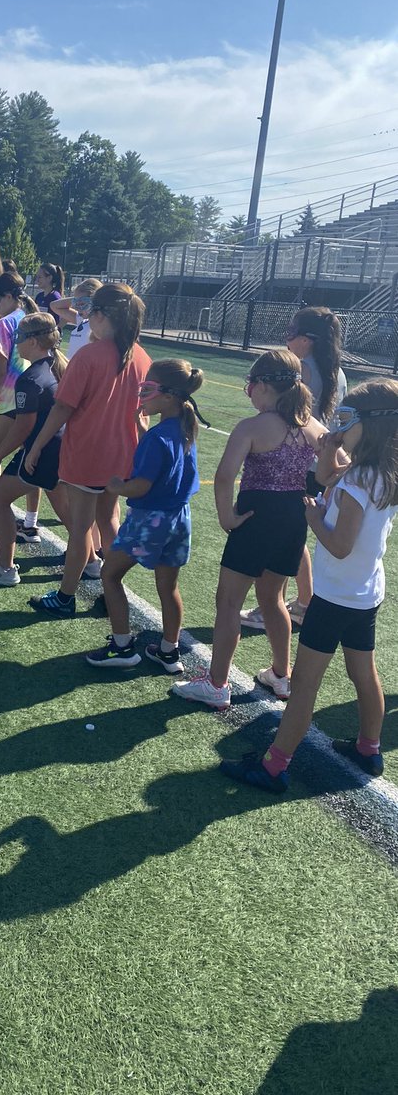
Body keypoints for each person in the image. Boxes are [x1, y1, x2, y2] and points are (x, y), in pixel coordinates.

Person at [221, 379, 398, 793]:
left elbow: (339, 545)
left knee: (303, 685)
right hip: (364, 594)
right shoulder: (377, 472)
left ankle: (272, 767)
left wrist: (314, 518)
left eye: (346, 419)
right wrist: (333, 444)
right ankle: (368, 748)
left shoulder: (356, 483)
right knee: (362, 671)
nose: (337, 425)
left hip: (335, 598)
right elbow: (321, 476)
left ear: (370, 425)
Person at [171, 350, 328, 709]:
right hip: (292, 521)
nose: (249, 393)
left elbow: (225, 475)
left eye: (250, 385)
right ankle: (281, 674)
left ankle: (216, 683)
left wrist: (226, 516)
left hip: (255, 519)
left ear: (262, 386)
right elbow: (336, 465)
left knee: (228, 601)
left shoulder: (252, 427)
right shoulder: (313, 426)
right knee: (273, 600)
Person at [27, 283, 152, 618]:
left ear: (99, 315)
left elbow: (62, 408)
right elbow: (144, 414)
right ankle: (112, 591)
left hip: (86, 454)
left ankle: (66, 596)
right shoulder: (141, 356)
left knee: (81, 527)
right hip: (122, 455)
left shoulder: (89, 356)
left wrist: (36, 446)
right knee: (108, 520)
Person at [85, 360, 208, 670]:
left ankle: (123, 646)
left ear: (168, 396)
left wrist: (117, 486)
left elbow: (141, 486)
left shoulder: (158, 438)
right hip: (179, 519)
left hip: (150, 519)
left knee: (109, 574)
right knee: (168, 587)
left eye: (148, 390)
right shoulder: (184, 428)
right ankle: (169, 650)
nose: (142, 396)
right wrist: (143, 430)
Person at [241, 305, 348, 631]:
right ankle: (303, 600)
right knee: (294, 532)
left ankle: (279, 604)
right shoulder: (336, 371)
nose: (286, 339)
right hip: (318, 462)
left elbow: (292, 417)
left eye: (291, 333)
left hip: (295, 461)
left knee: (284, 536)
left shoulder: (300, 371)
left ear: (308, 340)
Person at [0, 313, 70, 585]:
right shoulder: (55, 368)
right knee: (66, 509)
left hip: (43, 452)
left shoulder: (30, 378)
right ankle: (93, 563)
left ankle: (4, 568)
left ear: (33, 342)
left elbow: (23, 427)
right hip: (59, 449)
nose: (15, 344)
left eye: (18, 339)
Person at [0, 273, 41, 543]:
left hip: (8, 401)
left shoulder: (5, 323)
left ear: (9, 297)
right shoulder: (29, 318)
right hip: (32, 399)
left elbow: (1, 369)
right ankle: (30, 522)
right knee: (29, 465)